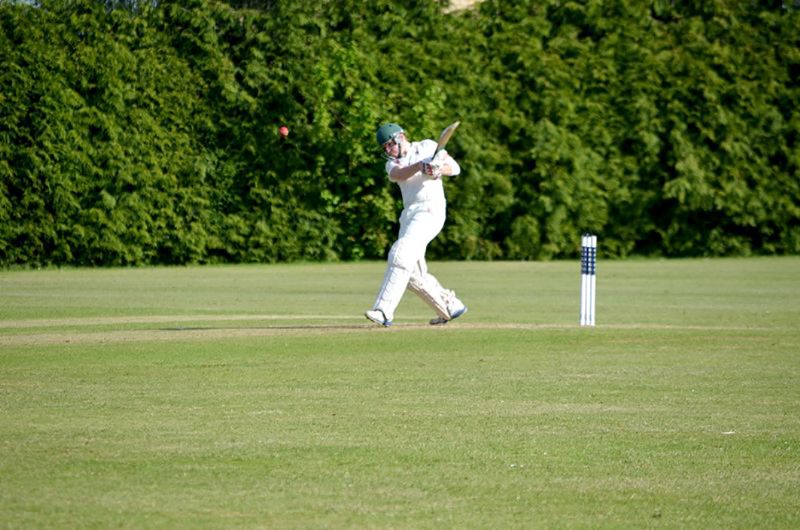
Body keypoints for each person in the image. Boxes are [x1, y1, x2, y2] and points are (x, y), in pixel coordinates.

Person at [365, 123, 468, 327]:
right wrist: (421, 166)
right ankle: (449, 305)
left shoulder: (428, 147)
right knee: (411, 273)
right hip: (410, 213)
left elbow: (454, 169)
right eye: (385, 148)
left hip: (430, 210)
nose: (388, 151)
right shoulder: (392, 164)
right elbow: (399, 175)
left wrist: (438, 169)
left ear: (401, 137)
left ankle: (383, 310)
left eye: (389, 145)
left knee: (400, 254)